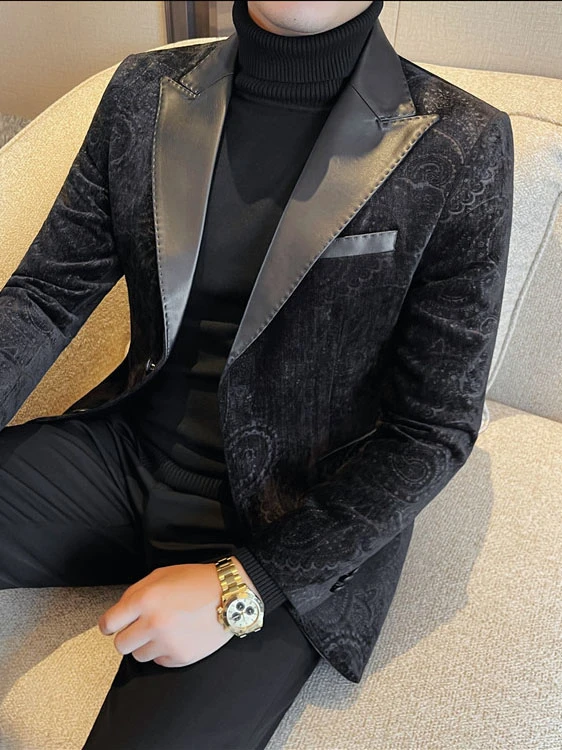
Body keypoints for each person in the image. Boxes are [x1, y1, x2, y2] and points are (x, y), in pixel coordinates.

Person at [0, 1, 514, 748]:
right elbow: (47, 295)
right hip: (124, 458)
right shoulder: (145, 90)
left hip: (291, 515)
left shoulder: (460, 139)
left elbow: (431, 429)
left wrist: (244, 586)